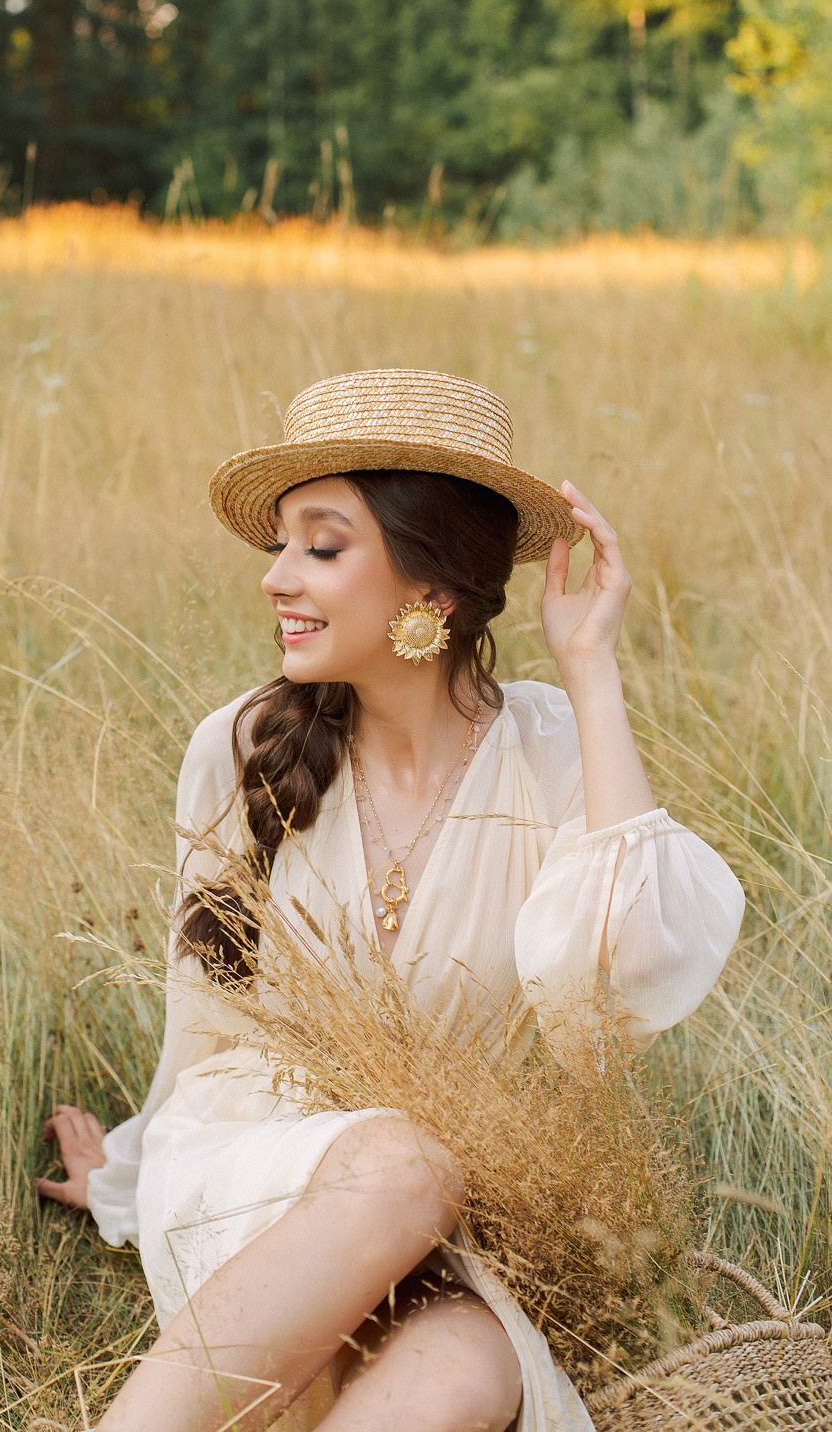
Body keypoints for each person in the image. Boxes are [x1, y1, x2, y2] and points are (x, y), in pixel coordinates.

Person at [37, 370, 745, 1432]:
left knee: (465, 1371)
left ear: (432, 586)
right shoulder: (239, 746)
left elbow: (629, 975)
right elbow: (206, 1024)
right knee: (403, 1163)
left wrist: (590, 669)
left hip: (447, 1225)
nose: (276, 576)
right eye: (280, 543)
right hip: (255, 1169)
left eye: (320, 546)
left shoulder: (551, 750)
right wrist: (128, 1180)